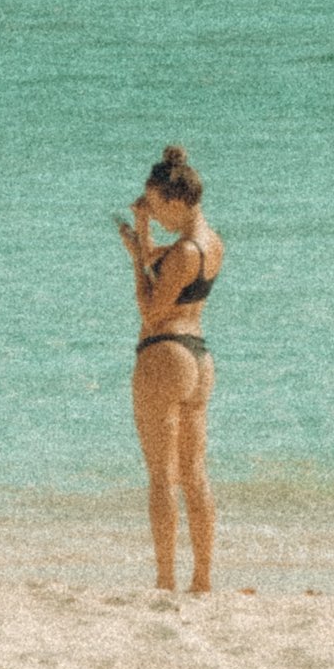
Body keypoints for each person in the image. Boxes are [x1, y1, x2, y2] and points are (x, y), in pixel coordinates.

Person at [116, 144, 223, 594]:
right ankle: (202, 579)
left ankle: (165, 579)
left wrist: (132, 264)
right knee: (195, 474)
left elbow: (150, 310)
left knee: (162, 475)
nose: (155, 218)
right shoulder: (210, 243)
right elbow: (166, 262)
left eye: (157, 208)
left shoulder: (181, 253)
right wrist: (141, 233)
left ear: (177, 200)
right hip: (198, 357)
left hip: (163, 355)